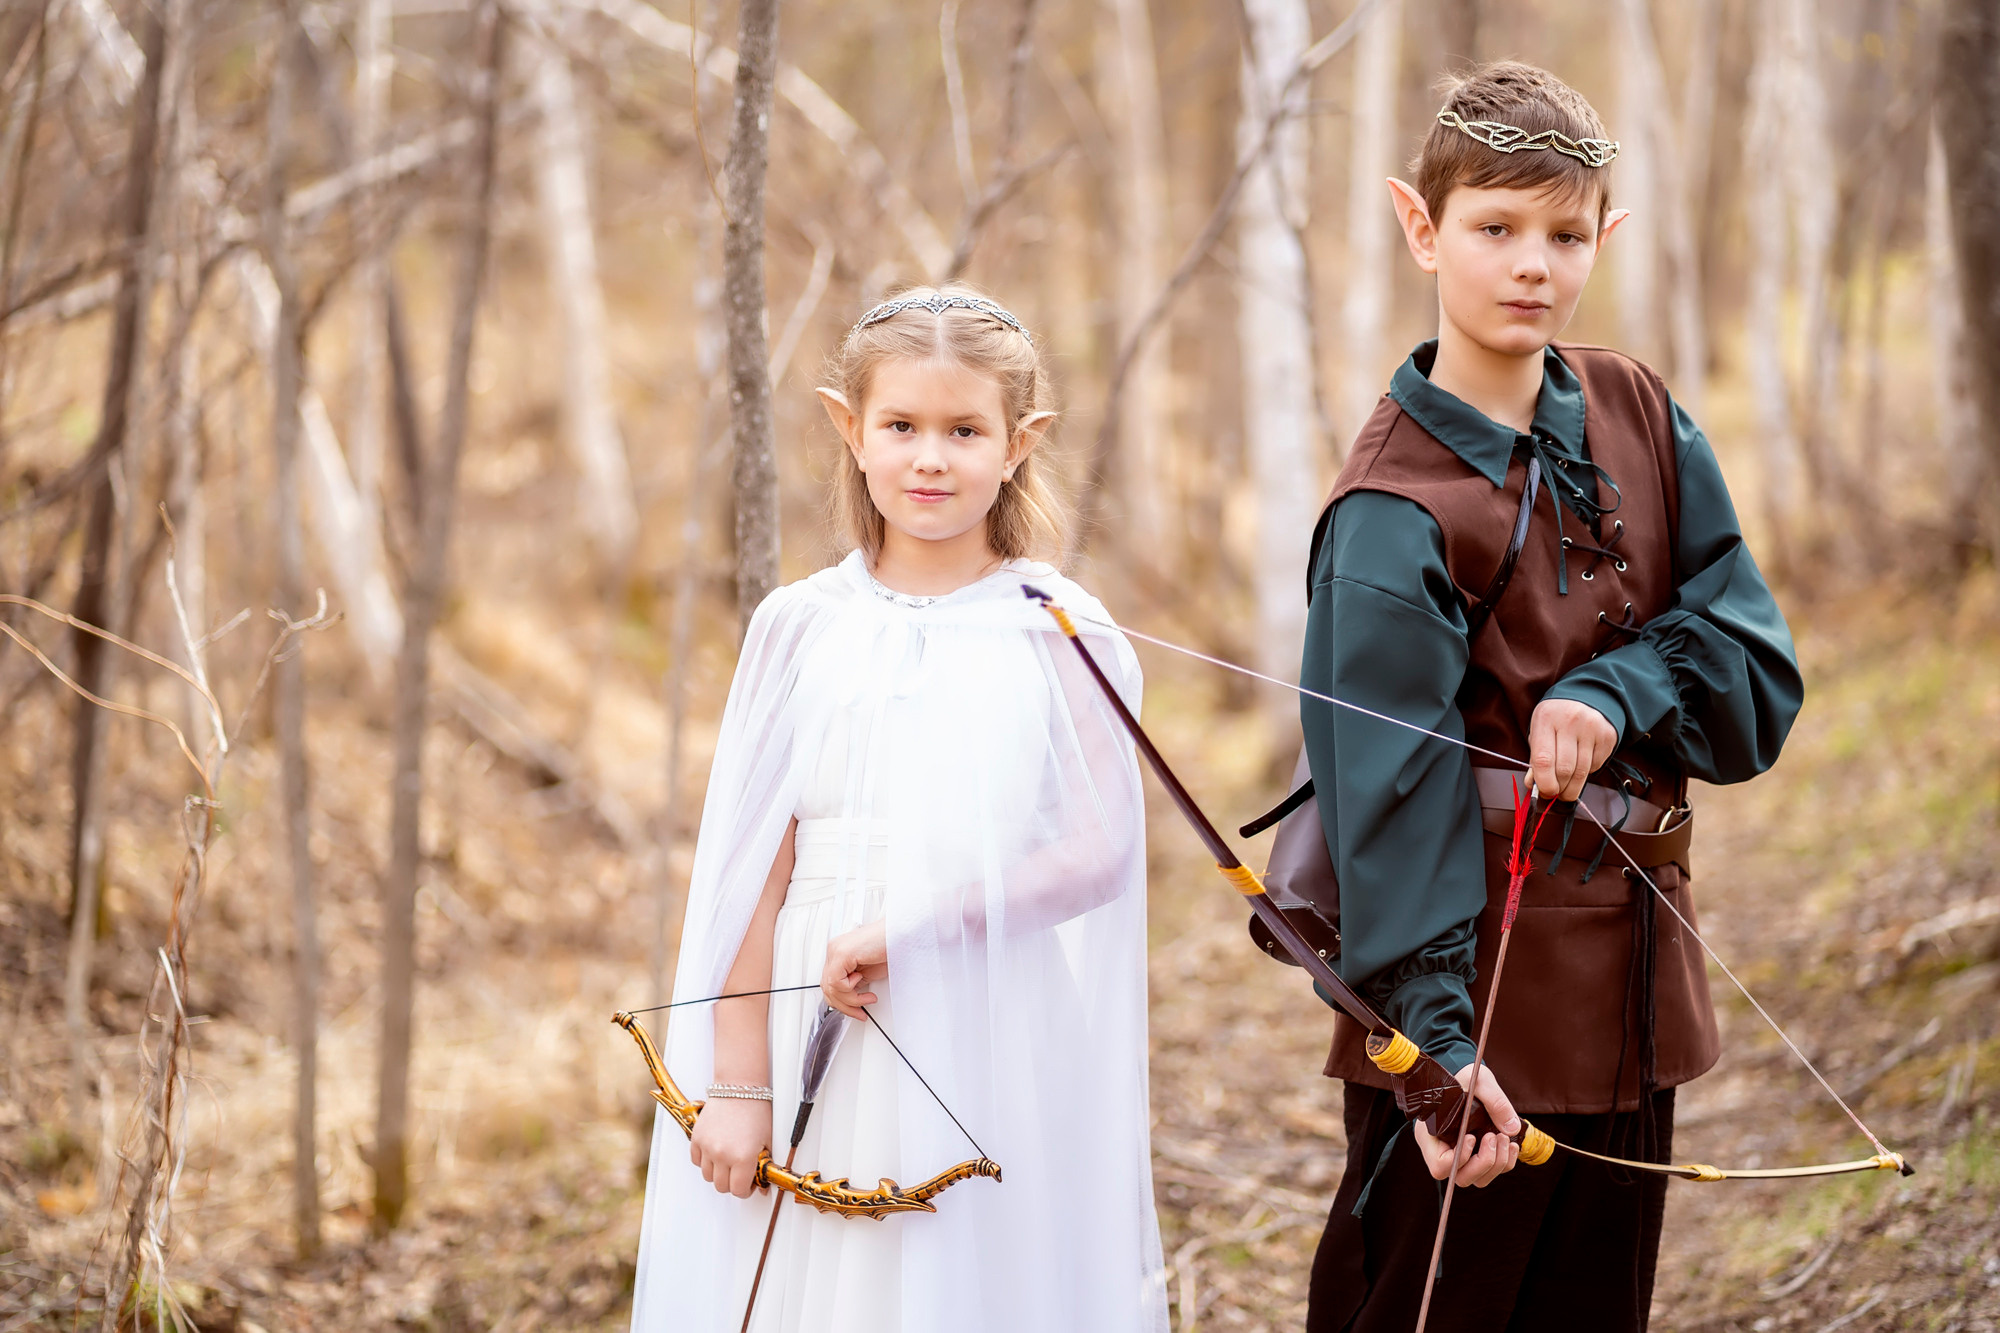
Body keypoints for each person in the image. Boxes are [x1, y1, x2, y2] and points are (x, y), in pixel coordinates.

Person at [1299, 63, 1803, 1332]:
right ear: (1419, 225)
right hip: (1474, 1026)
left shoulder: (1634, 407)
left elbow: (1753, 671)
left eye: (1564, 234)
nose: (1532, 264)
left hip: (1632, 985)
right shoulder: (1389, 513)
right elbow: (1385, 801)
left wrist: (1620, 688)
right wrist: (1431, 1057)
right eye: (1493, 228)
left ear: (1605, 236)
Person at [630, 285, 1167, 1332]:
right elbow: (755, 869)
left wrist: (921, 928)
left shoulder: (1058, 626)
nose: (930, 458)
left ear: (1021, 442)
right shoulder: (798, 625)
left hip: (987, 1012)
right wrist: (738, 1084)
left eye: (964, 430)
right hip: (803, 1006)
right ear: (849, 429)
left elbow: (1102, 849)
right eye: (902, 427)